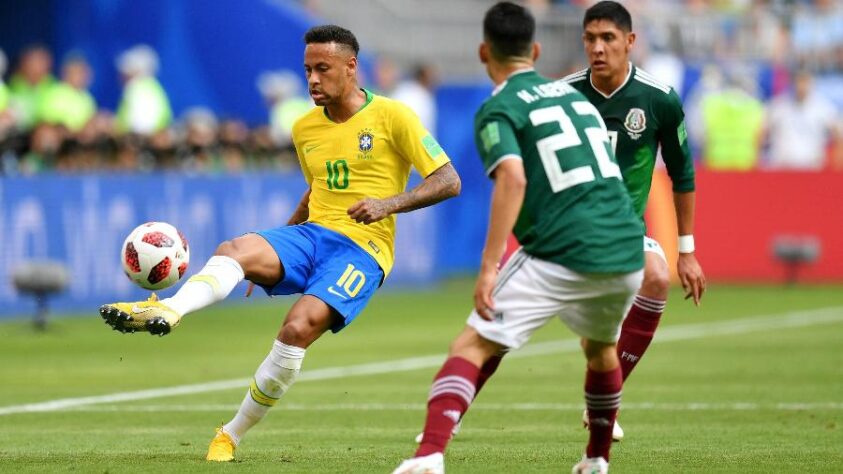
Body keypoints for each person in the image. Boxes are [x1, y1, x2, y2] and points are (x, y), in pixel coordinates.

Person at [99, 25, 461, 462]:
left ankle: (229, 434)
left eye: (322, 69)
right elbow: (316, 192)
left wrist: (390, 204)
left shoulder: (393, 117)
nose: (311, 80)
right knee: (234, 251)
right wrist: (275, 247)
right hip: (310, 237)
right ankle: (169, 308)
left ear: (351, 67)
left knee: (296, 329)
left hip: (362, 250)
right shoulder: (305, 127)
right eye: (307, 69)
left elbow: (449, 180)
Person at [393, 3, 644, 473]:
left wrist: (488, 267)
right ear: (536, 50)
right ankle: (596, 460)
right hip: (628, 249)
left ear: (484, 52)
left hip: (565, 250)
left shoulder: (498, 108)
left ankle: (428, 456)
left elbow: (512, 178)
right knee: (601, 350)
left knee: (470, 345)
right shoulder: (576, 98)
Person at [447, 0, 707, 444]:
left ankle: (607, 404)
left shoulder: (659, 100)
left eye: (608, 38)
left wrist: (686, 249)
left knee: (656, 277)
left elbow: (682, 173)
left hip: (617, 230)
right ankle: (447, 420)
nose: (598, 48)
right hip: (556, 234)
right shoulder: (562, 93)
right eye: (590, 38)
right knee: (495, 334)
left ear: (630, 42)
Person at [766, 69, 841, 170]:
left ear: (811, 84)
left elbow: (838, 134)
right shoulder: (779, 106)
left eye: (805, 82)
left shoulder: (823, 108)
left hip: (812, 167)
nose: (801, 87)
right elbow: (763, 132)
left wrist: (837, 161)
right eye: (799, 82)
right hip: (783, 166)